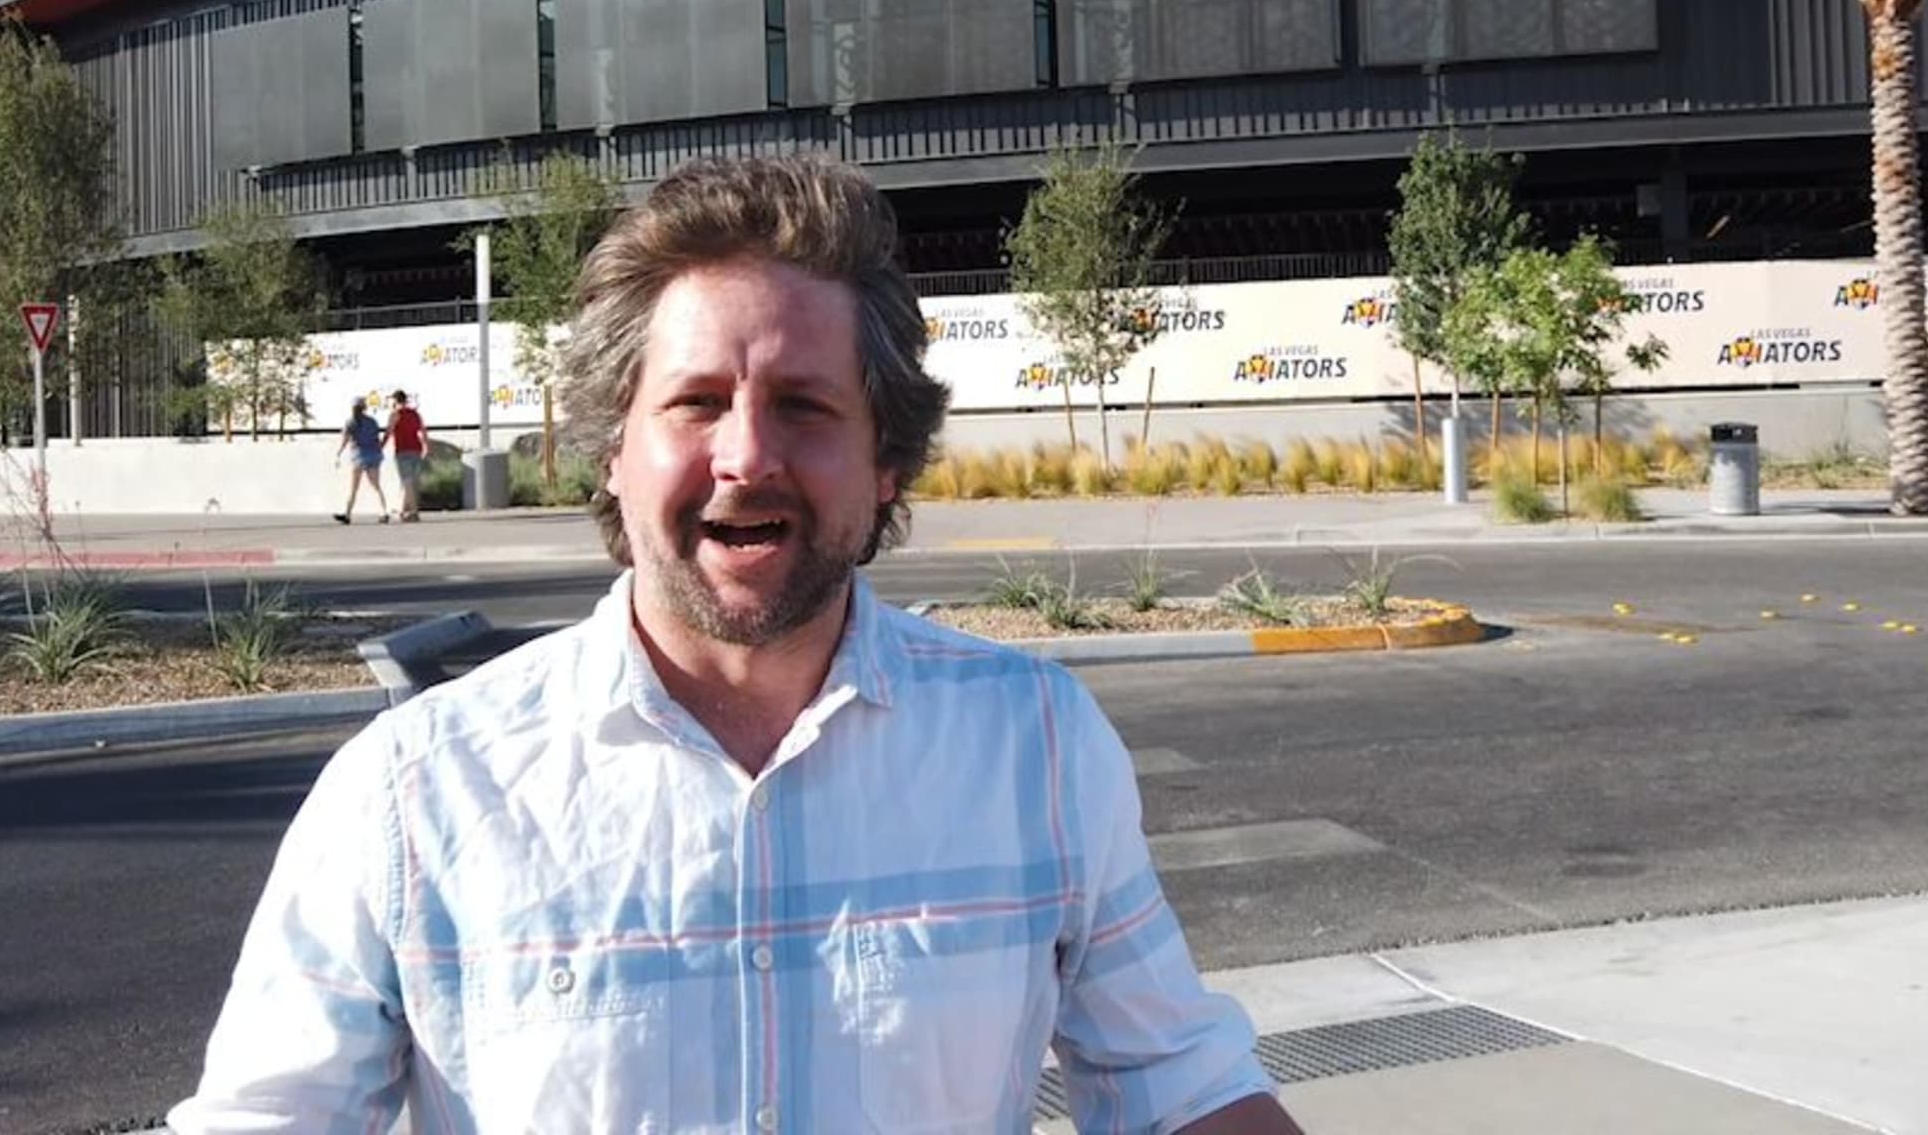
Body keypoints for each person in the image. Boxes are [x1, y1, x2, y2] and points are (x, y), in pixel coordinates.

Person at [175, 156, 1296, 1134]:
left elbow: (1177, 1087)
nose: (748, 456)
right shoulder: (413, 794)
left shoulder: (1035, 744)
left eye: (806, 406)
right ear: (609, 451)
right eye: (696, 401)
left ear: (887, 462)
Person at [331, 397, 389, 526]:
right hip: (373, 455)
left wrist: (338, 453)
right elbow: (376, 438)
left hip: (359, 456)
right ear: (364, 407)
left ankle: (347, 514)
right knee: (376, 486)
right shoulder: (372, 421)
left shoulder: (350, 422)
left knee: (353, 488)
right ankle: (384, 512)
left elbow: (345, 440)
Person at [385, 389, 427, 523]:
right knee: (409, 482)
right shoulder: (415, 414)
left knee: (406, 481)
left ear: (396, 401)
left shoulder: (395, 414)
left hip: (403, 450)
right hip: (416, 449)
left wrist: (380, 446)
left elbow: (388, 431)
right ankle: (403, 511)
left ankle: (414, 512)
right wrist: (426, 447)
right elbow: (423, 431)